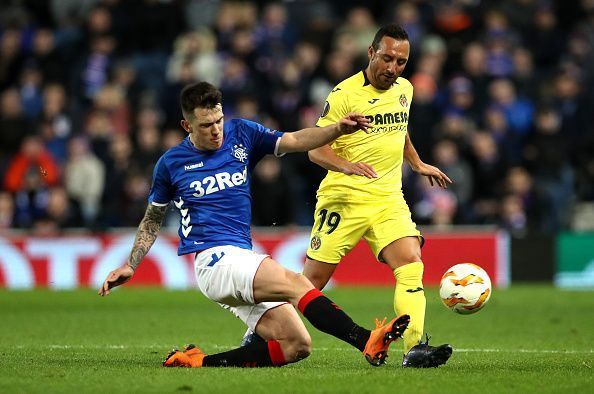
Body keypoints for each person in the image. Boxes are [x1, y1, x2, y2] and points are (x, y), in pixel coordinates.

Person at [98, 81, 411, 368]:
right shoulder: (170, 163)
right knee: (297, 282)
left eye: (218, 121)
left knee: (296, 345)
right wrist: (132, 264)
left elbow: (295, 139)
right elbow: (152, 219)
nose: (216, 131)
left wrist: (336, 129)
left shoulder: (241, 133)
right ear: (186, 125)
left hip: (240, 259)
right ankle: (366, 340)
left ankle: (198, 362)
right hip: (214, 261)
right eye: (206, 125)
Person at [245, 25, 454, 368]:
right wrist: (347, 166)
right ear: (371, 53)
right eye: (387, 58)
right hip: (344, 198)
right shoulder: (344, 94)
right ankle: (259, 331)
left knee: (410, 263)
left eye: (401, 61)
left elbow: (399, 130)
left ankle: (414, 347)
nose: (393, 68)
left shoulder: (406, 89)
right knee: (310, 282)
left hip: (388, 198)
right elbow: (315, 150)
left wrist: (416, 163)